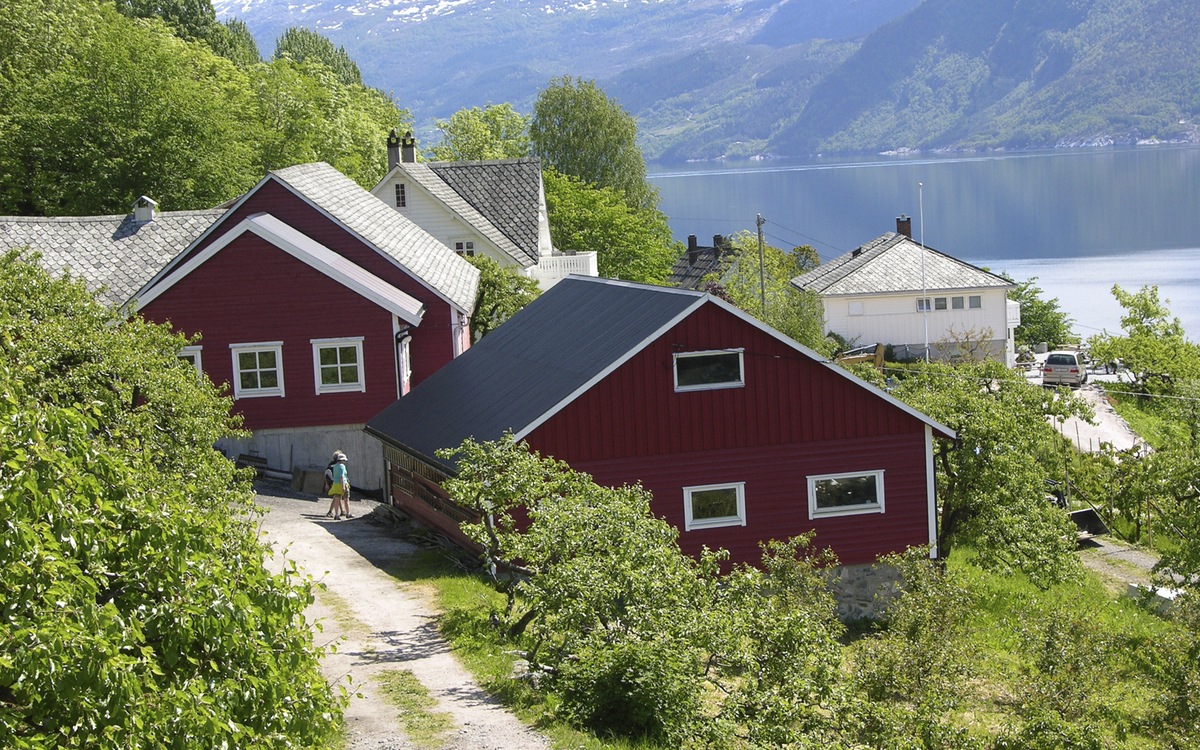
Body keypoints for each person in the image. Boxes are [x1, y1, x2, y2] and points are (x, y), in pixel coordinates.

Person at [326, 451, 351, 519]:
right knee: (346, 499)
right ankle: (348, 513)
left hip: (335, 484)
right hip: (342, 483)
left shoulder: (334, 466)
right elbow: (342, 476)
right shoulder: (342, 466)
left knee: (336, 499)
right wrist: (343, 486)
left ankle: (336, 514)